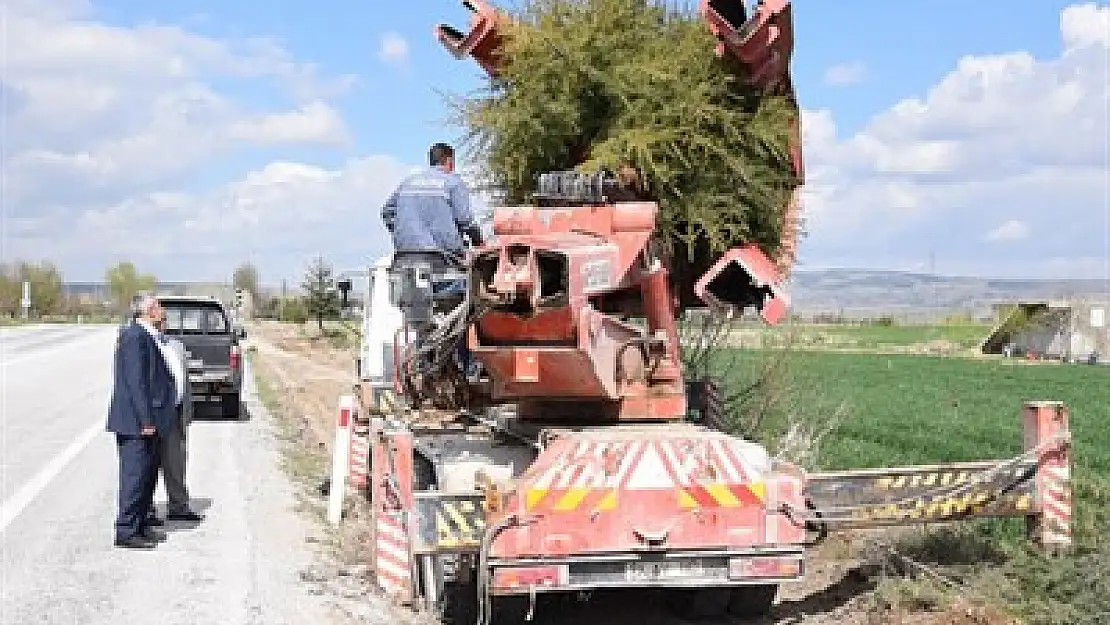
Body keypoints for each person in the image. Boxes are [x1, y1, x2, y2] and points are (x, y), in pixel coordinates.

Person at [105, 295, 178, 549]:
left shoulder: (148, 335)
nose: (162, 310)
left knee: (147, 477)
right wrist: (146, 419)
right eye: (157, 306)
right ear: (147, 311)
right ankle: (126, 531)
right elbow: (137, 382)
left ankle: (140, 525)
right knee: (135, 477)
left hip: (151, 420)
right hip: (136, 422)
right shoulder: (134, 336)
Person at [145, 323, 204, 525]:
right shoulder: (144, 345)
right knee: (148, 464)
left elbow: (185, 381)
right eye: (158, 320)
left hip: (175, 412)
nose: (162, 324)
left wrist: (187, 411)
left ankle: (178, 506)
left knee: (176, 462)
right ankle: (146, 509)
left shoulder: (176, 346)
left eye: (163, 321)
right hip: (153, 414)